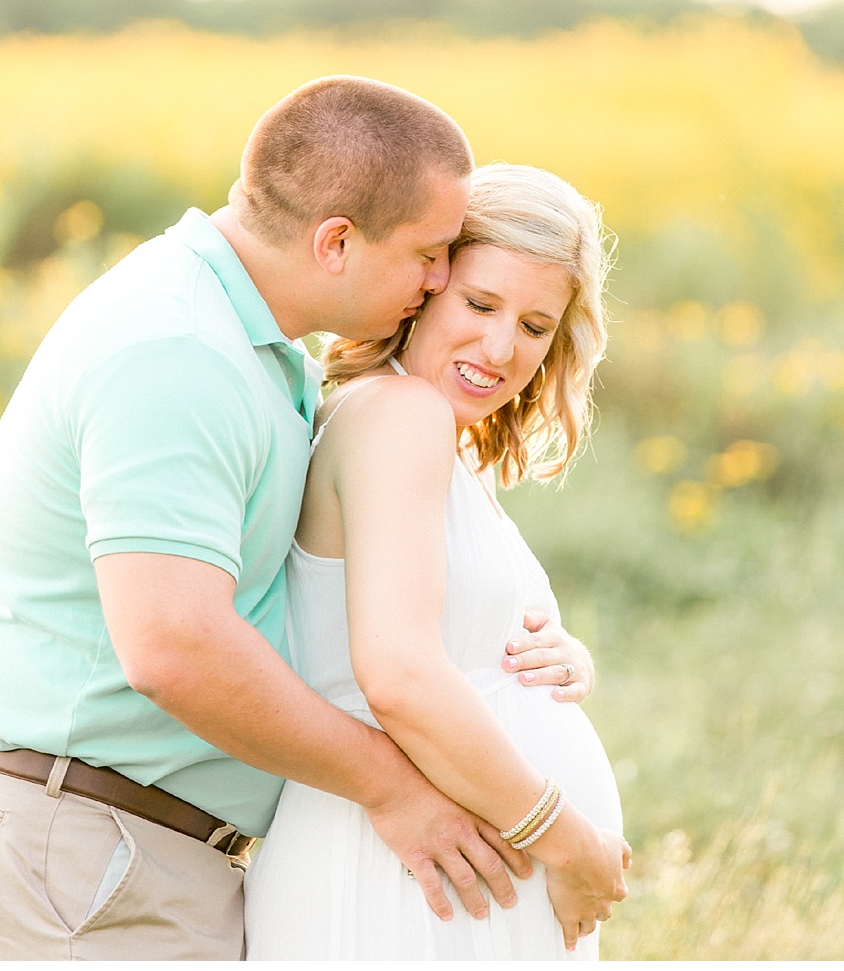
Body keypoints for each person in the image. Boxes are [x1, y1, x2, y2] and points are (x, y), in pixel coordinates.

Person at [0, 76, 611, 959]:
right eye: (437, 263)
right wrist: (491, 814)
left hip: (149, 853)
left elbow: (313, 614)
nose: (435, 281)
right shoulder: (183, 349)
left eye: (537, 323)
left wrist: (539, 664)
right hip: (98, 847)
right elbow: (174, 643)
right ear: (337, 241)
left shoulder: (273, 365)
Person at [243, 162, 630, 958]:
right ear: (426, 285)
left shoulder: (444, 446)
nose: (500, 347)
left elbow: (438, 641)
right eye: (479, 303)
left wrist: (551, 665)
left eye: (534, 326)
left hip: (447, 882)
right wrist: (565, 840)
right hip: (407, 878)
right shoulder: (400, 415)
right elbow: (399, 675)